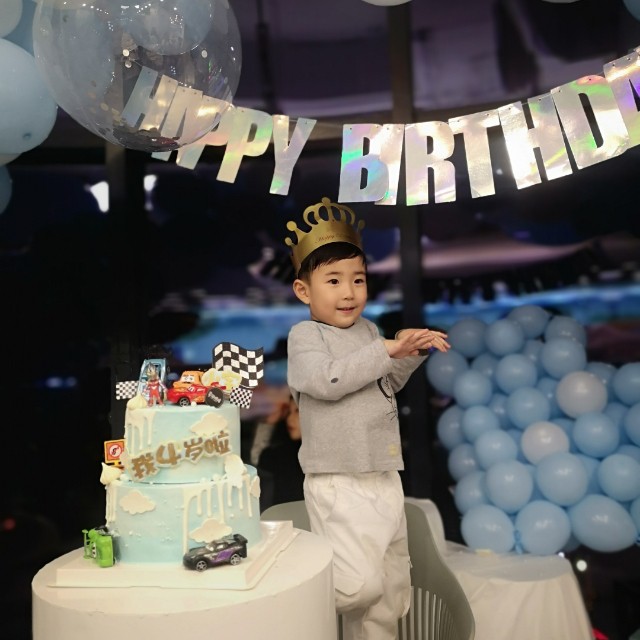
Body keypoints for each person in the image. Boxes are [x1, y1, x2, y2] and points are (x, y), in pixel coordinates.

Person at [285, 197, 450, 640]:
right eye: (333, 280)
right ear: (304, 291)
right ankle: (290, 597)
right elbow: (327, 379)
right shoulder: (305, 336)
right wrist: (385, 350)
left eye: (358, 279)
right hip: (338, 479)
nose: (349, 292)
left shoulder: (369, 331)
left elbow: (384, 383)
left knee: (391, 588)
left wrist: (408, 352)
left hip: (383, 471)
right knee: (359, 586)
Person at [257, 396, 304, 509]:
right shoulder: (280, 455)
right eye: (288, 413)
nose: (290, 419)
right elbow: (259, 462)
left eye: (297, 411)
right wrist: (269, 423)